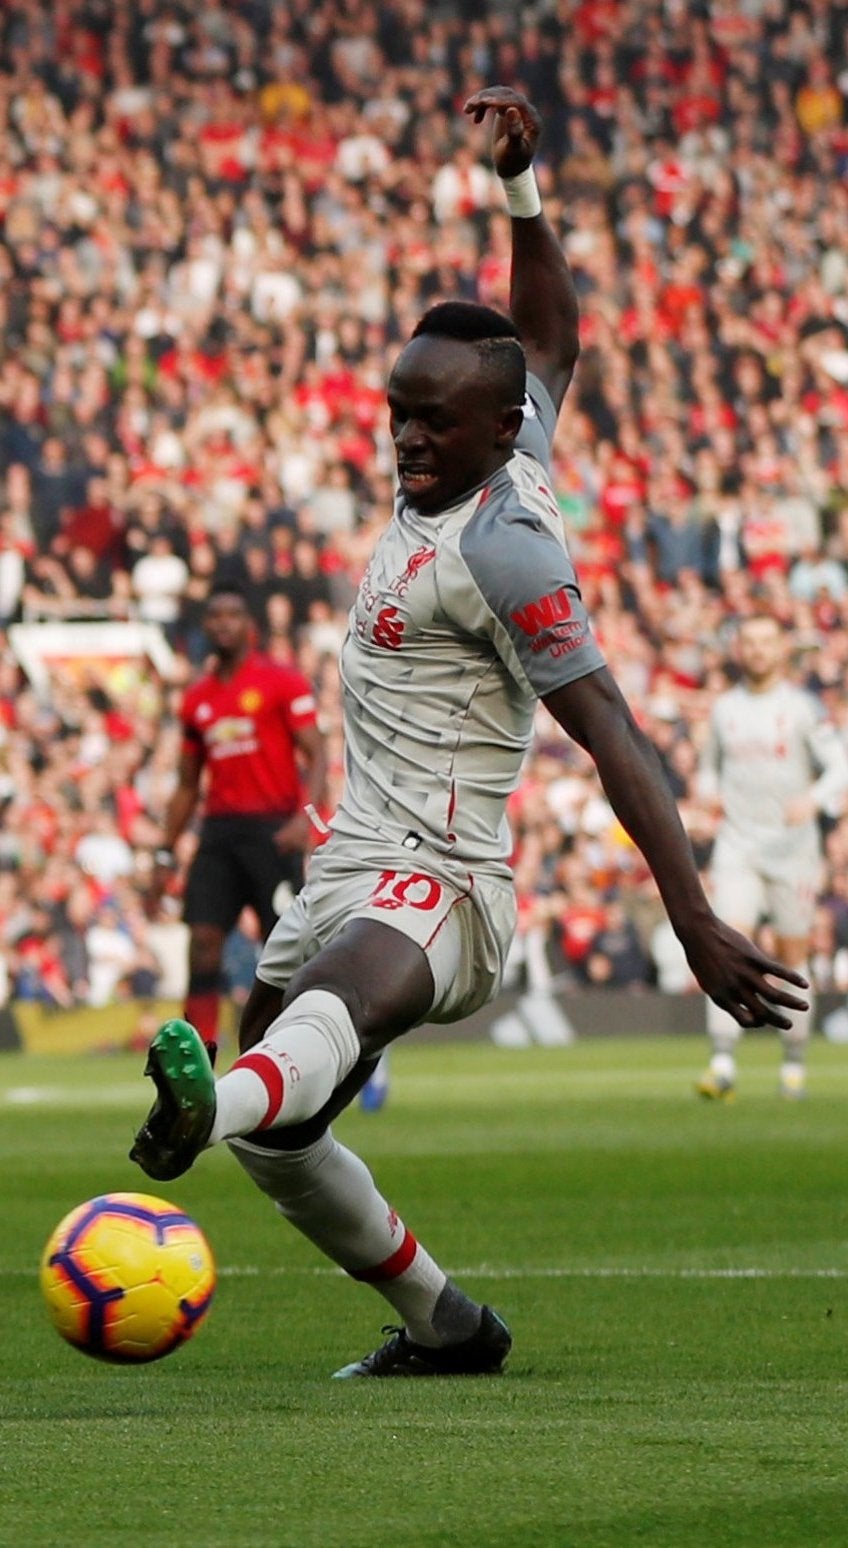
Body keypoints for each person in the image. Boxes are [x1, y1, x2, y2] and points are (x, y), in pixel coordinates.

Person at [128, 91, 804, 1379]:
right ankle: (448, 1326)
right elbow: (547, 333)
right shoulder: (507, 430)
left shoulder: (505, 544)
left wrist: (694, 917)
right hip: (349, 855)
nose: (407, 441)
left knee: (302, 1034)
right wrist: (521, 190)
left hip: (441, 877)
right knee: (288, 1126)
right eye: (398, 412)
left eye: (434, 423)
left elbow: (611, 731)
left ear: (497, 433)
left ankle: (205, 1105)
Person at [150, 583, 329, 1055]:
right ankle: (200, 1061)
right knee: (203, 941)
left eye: (233, 614)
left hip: (274, 832)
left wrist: (304, 819)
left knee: (286, 951)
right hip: (219, 833)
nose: (223, 623)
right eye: (215, 615)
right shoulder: (197, 700)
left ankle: (303, 1051)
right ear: (205, 626)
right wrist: (165, 850)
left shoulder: (282, 681)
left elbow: (317, 751)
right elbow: (189, 785)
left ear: (249, 626)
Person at [694, 613, 848, 1100]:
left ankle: (794, 1066)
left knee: (791, 955)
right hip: (738, 845)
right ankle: (721, 1063)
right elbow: (708, 771)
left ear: (782, 649)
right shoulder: (725, 710)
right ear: (739, 649)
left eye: (767, 642)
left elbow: (839, 767)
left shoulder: (802, 709)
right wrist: (706, 795)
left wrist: (816, 801)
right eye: (750, 641)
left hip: (792, 852)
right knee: (727, 943)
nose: (758, 650)